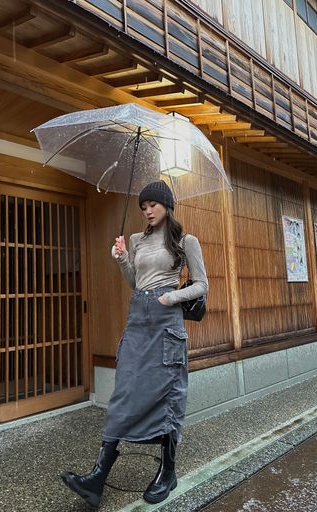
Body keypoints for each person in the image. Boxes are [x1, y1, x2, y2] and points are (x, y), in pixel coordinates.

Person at [61, 180, 208, 509]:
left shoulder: (186, 241)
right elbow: (135, 283)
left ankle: (167, 472)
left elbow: (201, 285)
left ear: (167, 205)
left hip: (166, 323)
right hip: (138, 321)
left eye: (153, 205)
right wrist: (122, 259)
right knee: (124, 393)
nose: (147, 211)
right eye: (143, 207)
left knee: (169, 394)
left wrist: (173, 296)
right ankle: (97, 478)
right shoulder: (136, 240)